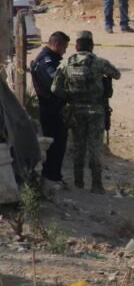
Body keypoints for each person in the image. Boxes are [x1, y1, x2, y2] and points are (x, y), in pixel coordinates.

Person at [51, 31, 121, 193]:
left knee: (78, 147)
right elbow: (117, 74)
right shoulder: (99, 63)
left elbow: (55, 88)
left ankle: (78, 182)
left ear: (76, 46)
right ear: (92, 46)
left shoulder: (67, 64)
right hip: (96, 111)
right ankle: (96, 185)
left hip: (76, 111)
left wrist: (69, 97)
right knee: (95, 148)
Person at [30, 31, 70, 186]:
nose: (64, 51)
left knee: (58, 143)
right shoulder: (46, 62)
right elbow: (55, 86)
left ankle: (54, 175)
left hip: (53, 108)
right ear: (57, 45)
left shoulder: (51, 59)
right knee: (55, 144)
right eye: (64, 47)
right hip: (51, 109)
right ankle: (51, 176)